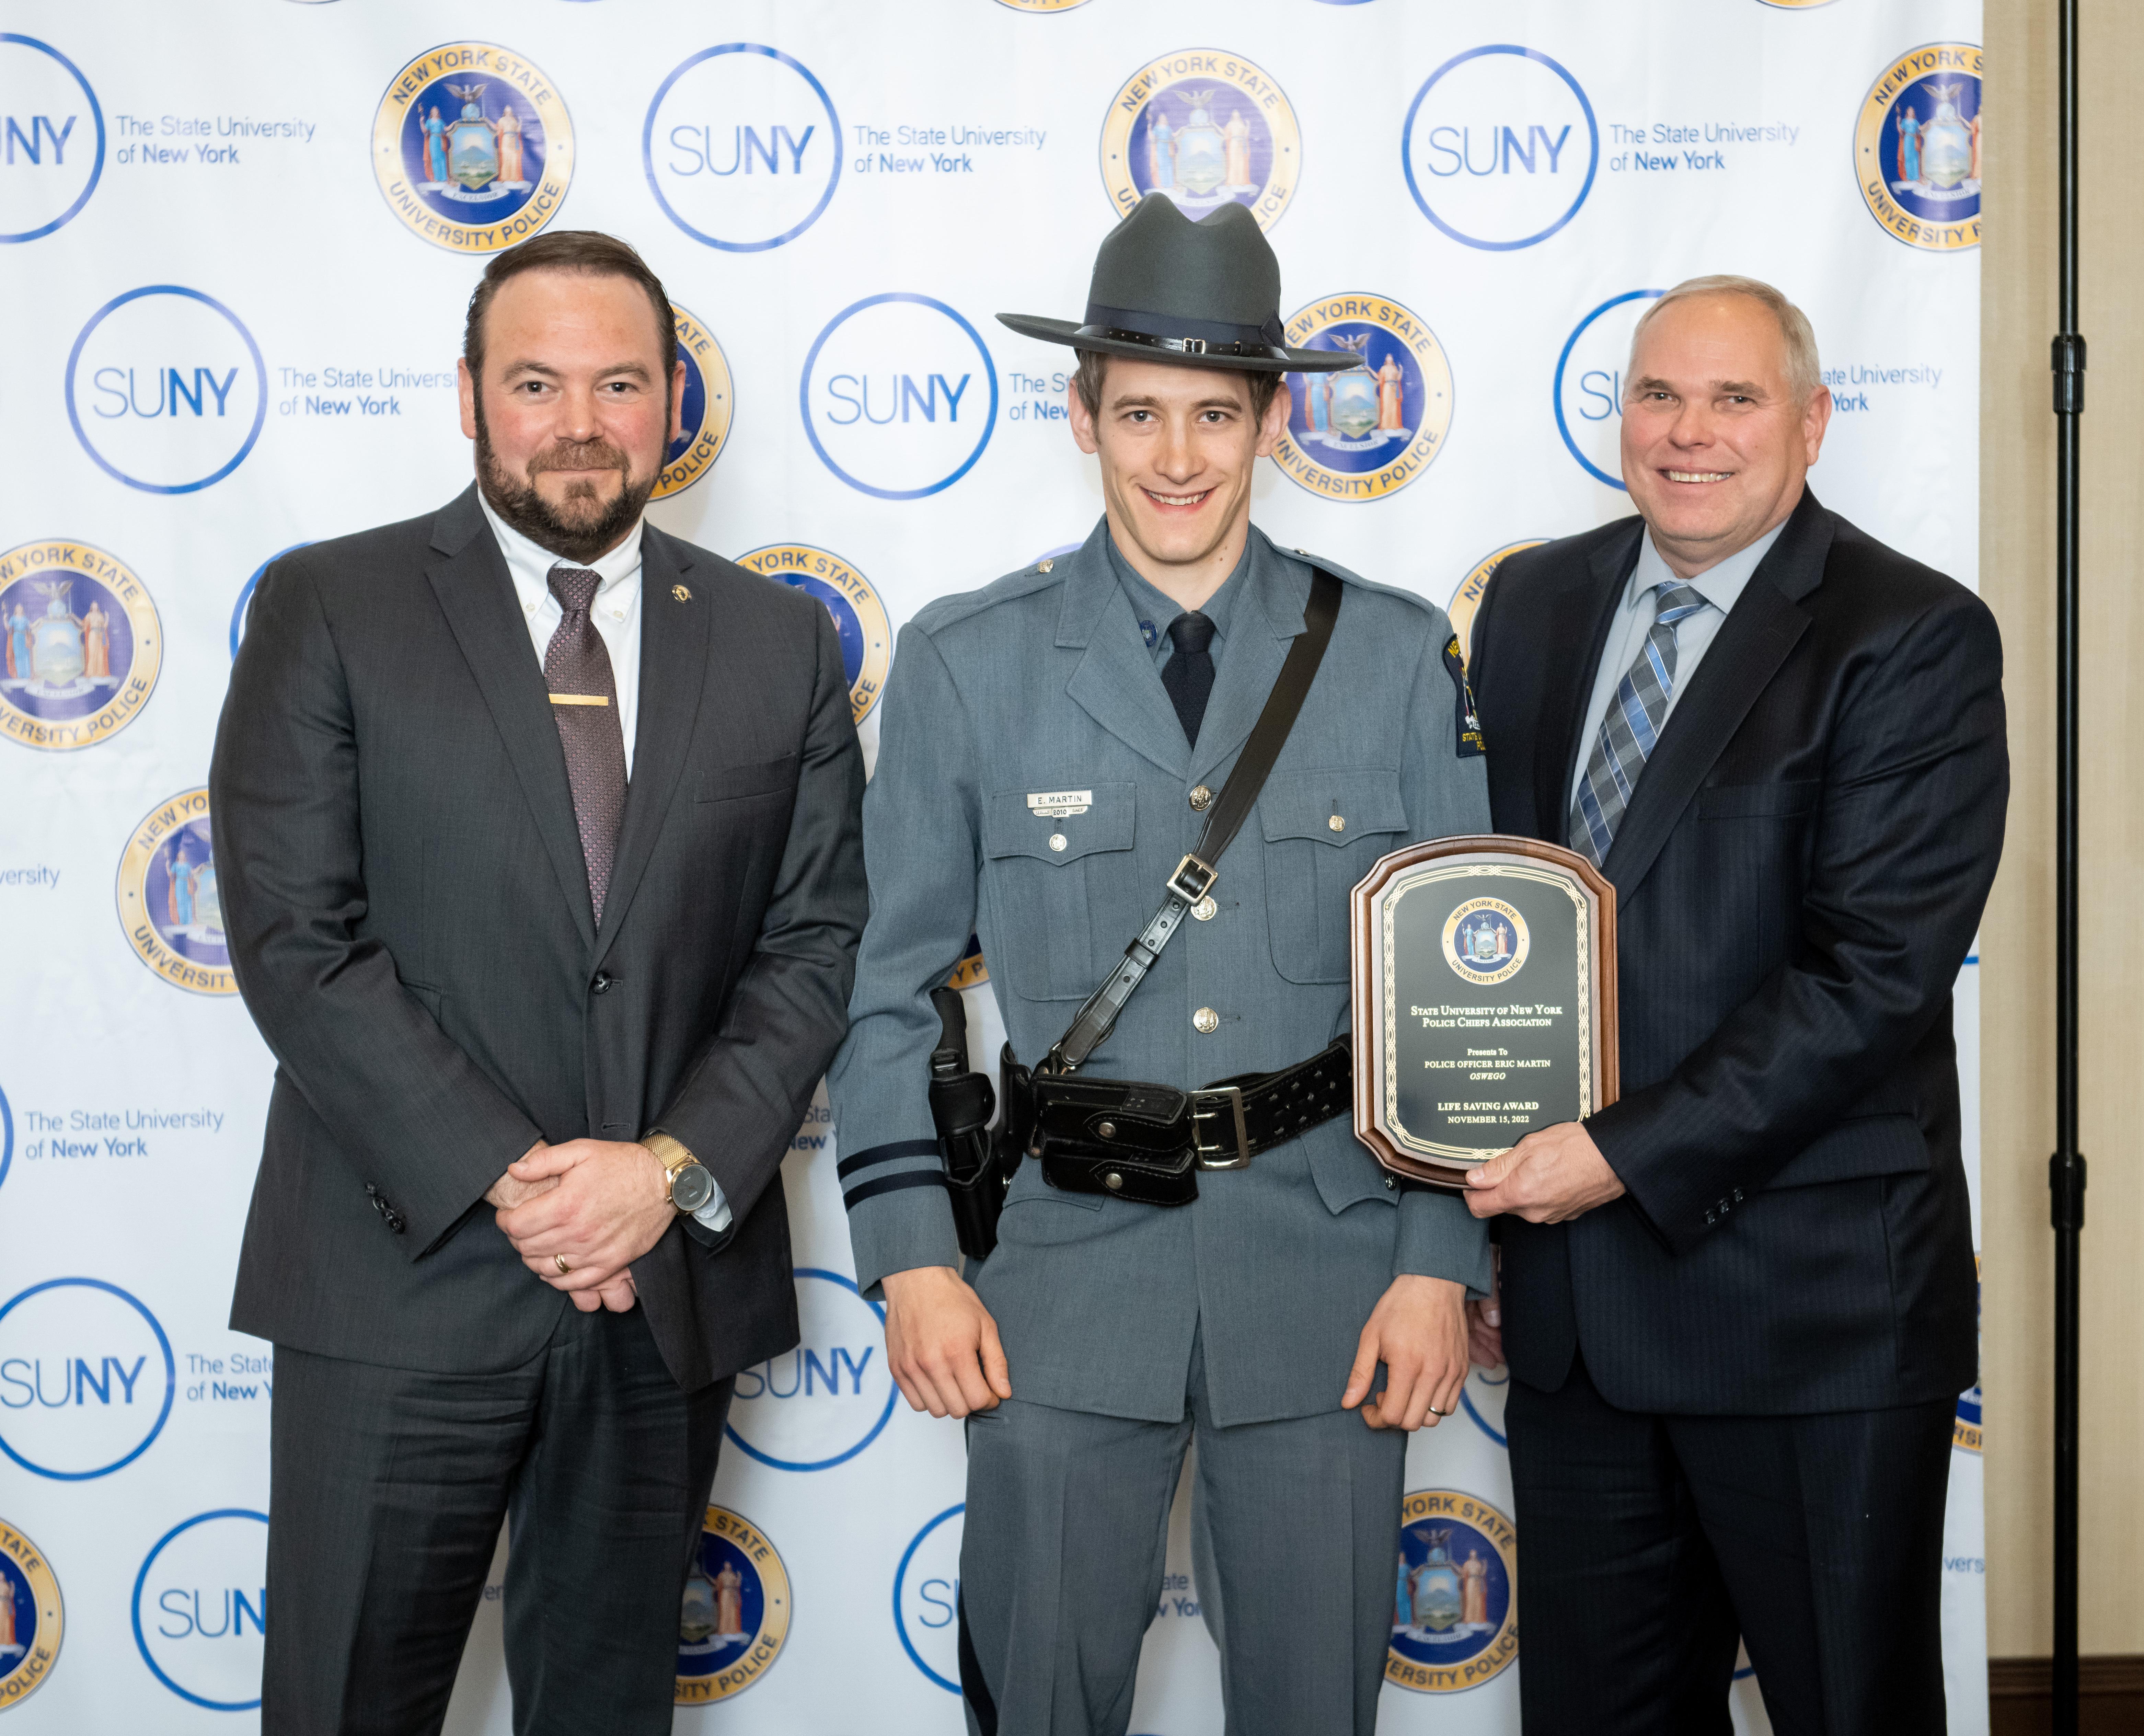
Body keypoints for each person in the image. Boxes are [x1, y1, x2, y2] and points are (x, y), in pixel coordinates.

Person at [827, 196, 1491, 1736]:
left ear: (1272, 423)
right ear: (1082, 416)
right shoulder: (966, 660)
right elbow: (889, 984)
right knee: (1044, 1702)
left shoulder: (1390, 656)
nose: (1177, 456)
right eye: (1139, 412)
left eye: (1214, 412)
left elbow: (1458, 1003)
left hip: (1328, 1277)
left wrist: (1437, 1265)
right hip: (1059, 1277)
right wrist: (916, 1250)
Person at [209, 228, 865, 1736]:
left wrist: (666, 1170)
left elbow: (812, 940)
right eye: (536, 381)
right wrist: (529, 1183)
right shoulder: (334, 607)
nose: (580, 420)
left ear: (670, 401)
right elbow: (300, 937)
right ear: (466, 396)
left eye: (620, 381)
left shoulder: (776, 640)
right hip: (398, 1282)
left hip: (659, 1298)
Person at [1463, 275, 2006, 1736]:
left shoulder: (1911, 634)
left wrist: (1618, 1151)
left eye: (1734, 398)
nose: (1687, 432)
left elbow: (1871, 977)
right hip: (1574, 1318)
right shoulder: (1531, 603)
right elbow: (1495, 927)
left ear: (1813, 422)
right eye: (1657, 395)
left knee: (1848, 1707)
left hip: (1811, 1311)